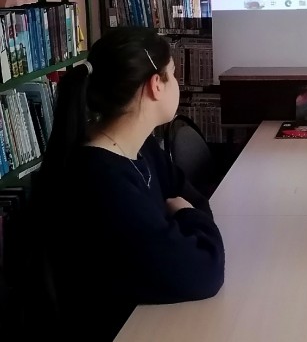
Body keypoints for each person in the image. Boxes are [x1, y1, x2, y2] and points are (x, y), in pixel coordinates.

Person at [30, 27, 225, 341]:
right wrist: (184, 215)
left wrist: (185, 218)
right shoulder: (101, 181)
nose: (177, 84)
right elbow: (204, 270)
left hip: (148, 315)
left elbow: (196, 202)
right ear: (155, 86)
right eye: (173, 75)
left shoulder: (139, 147)